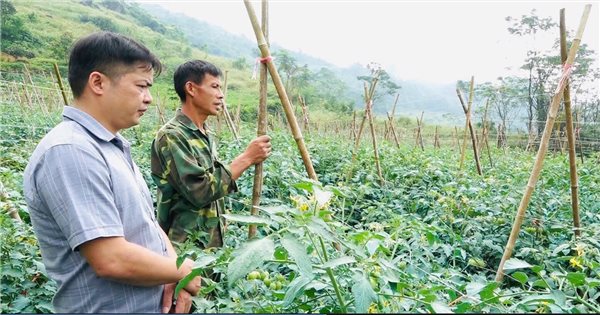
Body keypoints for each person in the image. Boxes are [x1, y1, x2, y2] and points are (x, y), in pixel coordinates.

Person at [23, 31, 200, 313]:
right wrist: (183, 272)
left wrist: (172, 272)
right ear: (98, 82)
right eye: (141, 86)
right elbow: (111, 259)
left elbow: (147, 225)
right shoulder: (71, 150)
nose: (149, 99)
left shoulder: (111, 146)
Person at [151, 60, 271, 249]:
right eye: (214, 87)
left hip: (211, 246)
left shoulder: (203, 133)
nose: (221, 95)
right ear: (191, 88)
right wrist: (247, 158)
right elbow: (201, 191)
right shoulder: (172, 135)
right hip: (185, 250)